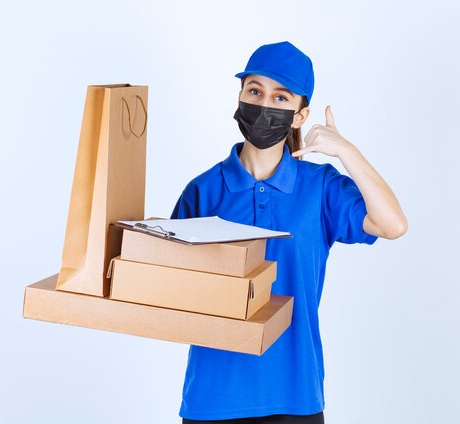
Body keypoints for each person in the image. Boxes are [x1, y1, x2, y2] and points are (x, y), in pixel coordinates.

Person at [170, 41, 408, 424]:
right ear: (240, 96)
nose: (265, 104)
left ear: (299, 115)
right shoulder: (203, 191)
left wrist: (348, 152)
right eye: (255, 91)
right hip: (214, 397)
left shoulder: (321, 188)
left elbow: (392, 224)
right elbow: (171, 287)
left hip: (294, 396)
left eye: (281, 97)